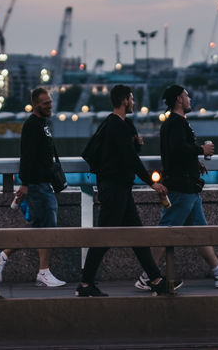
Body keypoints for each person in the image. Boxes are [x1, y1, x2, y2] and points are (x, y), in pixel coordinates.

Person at [135, 85, 218, 291]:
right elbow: (178, 150)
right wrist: (200, 150)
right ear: (178, 99)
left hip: (188, 187)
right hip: (182, 188)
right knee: (165, 231)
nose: (190, 99)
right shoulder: (176, 123)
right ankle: (146, 276)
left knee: (199, 232)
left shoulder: (174, 123)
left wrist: (195, 161)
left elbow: (176, 153)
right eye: (186, 96)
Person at [75, 84, 174, 297]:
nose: (134, 102)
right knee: (104, 237)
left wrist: (135, 143)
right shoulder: (115, 126)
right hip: (114, 188)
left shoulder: (122, 124)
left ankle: (156, 279)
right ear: (124, 101)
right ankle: (85, 284)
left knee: (137, 235)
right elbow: (130, 159)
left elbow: (128, 152)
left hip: (120, 188)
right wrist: (151, 182)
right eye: (132, 98)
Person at [0, 87, 67, 288]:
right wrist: (26, 184)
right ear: (36, 104)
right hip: (37, 185)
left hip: (43, 183)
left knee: (39, 228)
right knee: (47, 230)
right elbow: (27, 156)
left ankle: (3, 255)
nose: (50, 105)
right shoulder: (31, 125)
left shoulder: (44, 123)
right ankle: (43, 272)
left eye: (50, 102)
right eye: (45, 103)